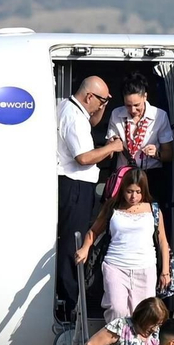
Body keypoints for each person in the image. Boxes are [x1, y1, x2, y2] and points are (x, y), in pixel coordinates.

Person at [56, 76, 125, 320]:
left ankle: (70, 296)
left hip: (76, 185)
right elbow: (83, 158)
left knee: (72, 239)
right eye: (101, 100)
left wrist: (103, 104)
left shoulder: (69, 107)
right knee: (72, 243)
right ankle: (70, 301)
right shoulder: (74, 118)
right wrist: (111, 148)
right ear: (89, 97)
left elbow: (93, 120)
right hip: (75, 185)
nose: (102, 106)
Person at [74, 169, 171, 319]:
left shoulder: (154, 210)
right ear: (123, 189)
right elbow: (93, 231)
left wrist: (165, 271)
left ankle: (137, 343)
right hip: (116, 265)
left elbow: (163, 241)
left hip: (145, 268)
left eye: (138, 192)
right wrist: (85, 248)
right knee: (116, 309)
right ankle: (116, 341)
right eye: (129, 191)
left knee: (143, 315)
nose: (134, 196)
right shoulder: (112, 207)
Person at [106, 76, 174, 217]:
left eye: (137, 105)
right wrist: (111, 145)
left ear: (145, 97)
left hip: (151, 176)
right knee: (122, 216)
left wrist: (156, 153)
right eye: (128, 105)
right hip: (124, 176)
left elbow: (169, 155)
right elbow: (109, 152)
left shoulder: (159, 116)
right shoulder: (116, 114)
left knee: (152, 217)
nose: (132, 110)